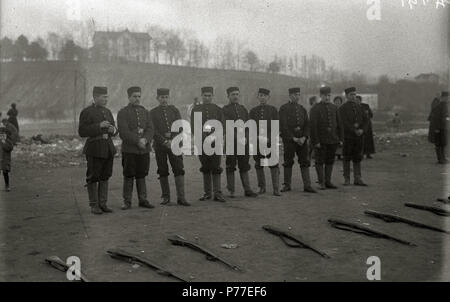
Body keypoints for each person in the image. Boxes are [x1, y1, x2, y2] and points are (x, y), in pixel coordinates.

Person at [78, 87, 118, 215]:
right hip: (94, 148)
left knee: (105, 175)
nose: (106, 99)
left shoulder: (108, 111)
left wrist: (114, 131)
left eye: (106, 97)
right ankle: (94, 205)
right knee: (93, 176)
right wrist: (98, 126)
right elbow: (82, 131)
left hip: (108, 148)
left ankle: (103, 204)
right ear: (95, 97)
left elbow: (114, 130)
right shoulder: (86, 112)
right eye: (103, 97)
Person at [150, 88, 190, 206]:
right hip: (160, 146)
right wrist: (163, 141)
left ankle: (181, 197)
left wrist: (173, 140)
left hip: (175, 144)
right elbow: (153, 130)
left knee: (178, 169)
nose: (164, 100)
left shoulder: (174, 110)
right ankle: (166, 197)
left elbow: (180, 127)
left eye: (166, 97)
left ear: (169, 98)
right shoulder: (152, 112)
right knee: (162, 170)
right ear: (157, 98)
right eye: (162, 97)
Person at [117, 86, 155, 210]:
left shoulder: (145, 112)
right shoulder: (123, 112)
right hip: (130, 150)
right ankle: (127, 201)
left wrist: (145, 139)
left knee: (142, 174)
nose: (137, 99)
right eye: (134, 96)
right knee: (129, 174)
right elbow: (123, 131)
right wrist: (137, 140)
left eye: (139, 96)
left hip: (144, 149)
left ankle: (143, 199)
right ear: (129, 97)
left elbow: (150, 128)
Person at [190, 87, 226, 202]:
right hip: (201, 142)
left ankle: (218, 193)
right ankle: (207, 193)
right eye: (205, 95)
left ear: (212, 96)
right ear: (202, 96)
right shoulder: (196, 109)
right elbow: (194, 126)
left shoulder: (217, 109)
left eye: (209, 95)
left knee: (216, 167)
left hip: (216, 142)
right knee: (205, 167)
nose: (207, 97)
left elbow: (222, 126)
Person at [222, 87, 258, 198]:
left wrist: (246, 137)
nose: (235, 96)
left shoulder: (243, 109)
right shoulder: (225, 110)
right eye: (233, 94)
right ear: (228, 96)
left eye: (237, 94)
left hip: (244, 143)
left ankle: (247, 189)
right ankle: (231, 190)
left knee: (244, 165)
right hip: (231, 142)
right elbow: (227, 126)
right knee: (230, 165)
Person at [279, 87, 317, 193]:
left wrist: (304, 137)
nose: (297, 96)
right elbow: (283, 126)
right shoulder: (284, 108)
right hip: (290, 141)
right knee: (288, 162)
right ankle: (287, 185)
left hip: (302, 141)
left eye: (299, 94)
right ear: (290, 96)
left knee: (304, 161)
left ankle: (307, 185)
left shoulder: (302, 109)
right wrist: (293, 138)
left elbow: (307, 125)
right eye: (295, 94)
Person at [310, 87, 343, 190]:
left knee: (330, 160)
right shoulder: (315, 108)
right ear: (321, 96)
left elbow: (339, 125)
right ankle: (321, 182)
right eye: (325, 96)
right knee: (320, 161)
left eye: (329, 95)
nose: (327, 97)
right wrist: (316, 141)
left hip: (333, 139)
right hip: (321, 141)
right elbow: (313, 127)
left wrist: (340, 138)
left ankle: (328, 181)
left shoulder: (334, 108)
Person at [249, 88, 280, 196]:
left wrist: (269, 139)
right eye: (260, 95)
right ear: (257, 97)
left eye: (264, 96)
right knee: (259, 164)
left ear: (268, 97)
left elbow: (276, 126)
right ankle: (261, 187)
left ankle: (276, 188)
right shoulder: (253, 111)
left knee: (274, 164)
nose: (262, 97)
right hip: (258, 142)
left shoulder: (273, 110)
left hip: (270, 141)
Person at [339, 87, 369, 186]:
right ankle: (347, 179)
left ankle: (357, 178)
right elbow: (343, 122)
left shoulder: (360, 107)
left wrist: (362, 130)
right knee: (347, 157)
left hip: (359, 137)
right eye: (351, 94)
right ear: (347, 96)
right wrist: (354, 130)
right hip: (348, 137)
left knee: (357, 157)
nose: (353, 96)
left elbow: (366, 120)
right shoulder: (342, 108)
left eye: (355, 94)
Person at [0, 112, 18, 192]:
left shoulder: (7, 139)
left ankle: (7, 186)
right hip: (3, 154)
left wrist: (4, 142)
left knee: (5, 171)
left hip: (4, 155)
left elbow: (9, 147)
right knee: (4, 171)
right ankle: (7, 186)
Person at [429, 91, 449, 164]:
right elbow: (436, 118)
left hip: (444, 127)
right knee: (439, 144)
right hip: (439, 128)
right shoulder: (439, 106)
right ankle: (440, 159)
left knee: (443, 143)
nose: (448, 99)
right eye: (447, 98)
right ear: (443, 98)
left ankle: (443, 158)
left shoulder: (445, 105)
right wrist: (436, 128)